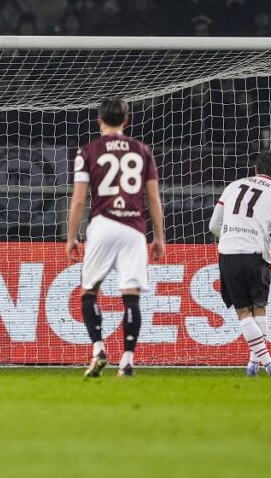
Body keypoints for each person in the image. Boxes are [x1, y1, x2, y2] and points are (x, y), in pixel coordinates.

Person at [65, 98, 165, 378]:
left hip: (103, 224)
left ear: (99, 120)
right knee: (131, 297)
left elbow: (79, 199)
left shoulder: (88, 151)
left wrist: (71, 237)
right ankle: (128, 359)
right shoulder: (143, 151)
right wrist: (159, 237)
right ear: (126, 120)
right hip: (134, 228)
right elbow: (153, 198)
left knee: (89, 291)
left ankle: (98, 350)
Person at [208, 150, 271, 377]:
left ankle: (252, 365)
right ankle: (269, 365)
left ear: (255, 169)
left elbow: (213, 225)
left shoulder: (233, 186)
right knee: (259, 309)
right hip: (255, 255)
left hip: (227, 254)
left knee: (244, 312)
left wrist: (229, 235)